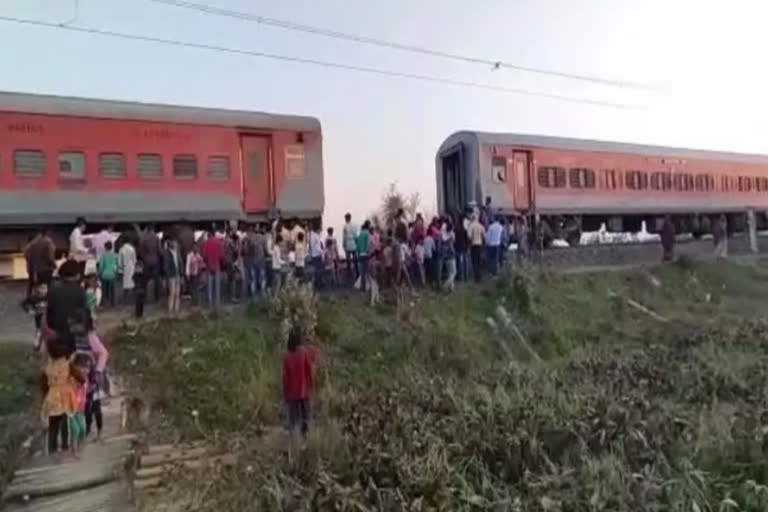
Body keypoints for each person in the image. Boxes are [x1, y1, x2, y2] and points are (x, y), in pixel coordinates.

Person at [40, 341, 76, 454]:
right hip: (64, 396)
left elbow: (43, 385)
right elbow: (80, 377)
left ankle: (52, 448)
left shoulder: (48, 367)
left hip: (51, 397)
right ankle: (65, 445)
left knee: (53, 425)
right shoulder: (67, 365)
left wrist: (46, 394)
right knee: (64, 422)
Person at [46, 260, 88, 355]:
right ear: (77, 275)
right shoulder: (80, 291)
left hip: (57, 331)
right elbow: (81, 315)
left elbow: (49, 313)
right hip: (72, 333)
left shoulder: (53, 290)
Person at [282, 329, 314, 438]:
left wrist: (285, 393)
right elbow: (309, 371)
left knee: (294, 419)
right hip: (304, 391)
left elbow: (285, 377)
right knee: (306, 417)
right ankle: (305, 437)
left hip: (292, 393)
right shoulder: (304, 352)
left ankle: (294, 439)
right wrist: (312, 385)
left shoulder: (287, 356)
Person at [84, 316, 108, 439]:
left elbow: (104, 353)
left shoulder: (90, 337)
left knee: (95, 405)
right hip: (83, 378)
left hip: (93, 378)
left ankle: (98, 431)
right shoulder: (78, 337)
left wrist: (98, 371)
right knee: (85, 406)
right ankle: (87, 429)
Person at [69, 353, 90, 457]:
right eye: (83, 367)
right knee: (76, 429)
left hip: (81, 409)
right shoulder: (72, 379)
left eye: (88, 368)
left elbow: (85, 393)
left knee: (83, 429)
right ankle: (75, 450)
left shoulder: (86, 380)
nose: (86, 370)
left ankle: (79, 446)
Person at [25, 228, 56, 294]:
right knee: (45, 285)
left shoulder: (32, 244)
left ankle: (34, 298)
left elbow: (27, 256)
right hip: (45, 268)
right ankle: (45, 299)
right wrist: (54, 265)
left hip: (36, 268)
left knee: (36, 285)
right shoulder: (47, 242)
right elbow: (50, 257)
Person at [21, 281, 48, 351]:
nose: (43, 290)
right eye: (42, 288)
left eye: (45, 288)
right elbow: (24, 304)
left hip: (49, 322)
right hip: (39, 322)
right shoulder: (34, 297)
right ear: (38, 289)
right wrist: (29, 310)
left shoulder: (50, 297)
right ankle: (36, 349)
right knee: (38, 334)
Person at [201, 229, 224, 310]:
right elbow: (222, 256)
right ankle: (217, 305)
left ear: (209, 235)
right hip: (217, 267)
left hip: (209, 267)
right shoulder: (219, 243)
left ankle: (210, 305)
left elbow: (204, 256)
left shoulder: (206, 243)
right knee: (217, 287)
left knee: (210, 287)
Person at [139, 225, 162, 302]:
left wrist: (144, 258)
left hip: (147, 261)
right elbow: (159, 251)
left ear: (147, 230)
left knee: (144, 280)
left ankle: (144, 297)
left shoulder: (144, 239)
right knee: (156, 280)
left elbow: (141, 251)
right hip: (155, 261)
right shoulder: (157, 238)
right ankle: (157, 298)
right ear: (153, 230)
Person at [163, 238, 183, 315]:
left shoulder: (178, 253)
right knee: (172, 293)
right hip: (172, 275)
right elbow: (166, 265)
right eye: (175, 243)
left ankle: (176, 309)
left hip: (178, 275)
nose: (176, 245)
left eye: (176, 243)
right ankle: (170, 310)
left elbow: (180, 264)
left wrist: (181, 274)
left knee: (178, 293)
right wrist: (168, 274)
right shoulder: (167, 253)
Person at [98, 241, 118, 308]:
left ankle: (103, 302)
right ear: (111, 247)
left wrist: (100, 274)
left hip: (104, 275)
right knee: (112, 289)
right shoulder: (115, 255)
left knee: (104, 289)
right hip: (112, 274)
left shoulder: (103, 256)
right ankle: (113, 303)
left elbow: (101, 266)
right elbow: (116, 265)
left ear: (105, 247)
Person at [118, 234, 137, 305]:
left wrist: (120, 269)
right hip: (131, 267)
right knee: (132, 284)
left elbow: (119, 261)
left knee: (125, 286)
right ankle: (132, 300)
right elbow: (134, 260)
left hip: (124, 268)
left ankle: (125, 301)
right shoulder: (132, 248)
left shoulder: (121, 249)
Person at [342, 213, 359, 285]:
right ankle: (357, 274)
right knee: (355, 261)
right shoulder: (355, 225)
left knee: (348, 261)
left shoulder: (345, 226)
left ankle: (349, 276)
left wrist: (344, 245)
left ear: (346, 218)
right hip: (354, 244)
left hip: (348, 244)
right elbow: (356, 235)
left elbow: (344, 237)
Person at [468, 214, 486, 281]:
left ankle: (476, 276)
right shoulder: (481, 226)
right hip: (479, 244)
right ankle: (479, 275)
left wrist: (470, 243)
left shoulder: (471, 226)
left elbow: (469, 236)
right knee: (478, 260)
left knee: (474, 261)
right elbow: (484, 236)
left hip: (473, 244)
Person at [356, 221, 371, 292]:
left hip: (360, 254)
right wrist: (368, 252)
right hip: (366, 254)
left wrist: (359, 252)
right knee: (367, 271)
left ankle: (362, 287)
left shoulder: (360, 234)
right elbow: (368, 245)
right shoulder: (367, 233)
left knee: (362, 272)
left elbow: (357, 244)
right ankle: (367, 287)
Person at [443, 221, 457, 292]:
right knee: (454, 272)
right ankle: (446, 284)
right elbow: (451, 245)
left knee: (449, 273)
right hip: (451, 255)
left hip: (446, 256)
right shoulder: (452, 235)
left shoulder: (445, 235)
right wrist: (453, 252)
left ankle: (451, 288)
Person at [454, 215, 469, 281]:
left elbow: (455, 239)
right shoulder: (464, 230)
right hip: (464, 247)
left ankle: (460, 277)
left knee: (459, 262)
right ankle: (466, 277)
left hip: (458, 247)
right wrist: (467, 247)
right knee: (465, 262)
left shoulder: (456, 229)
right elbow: (467, 239)